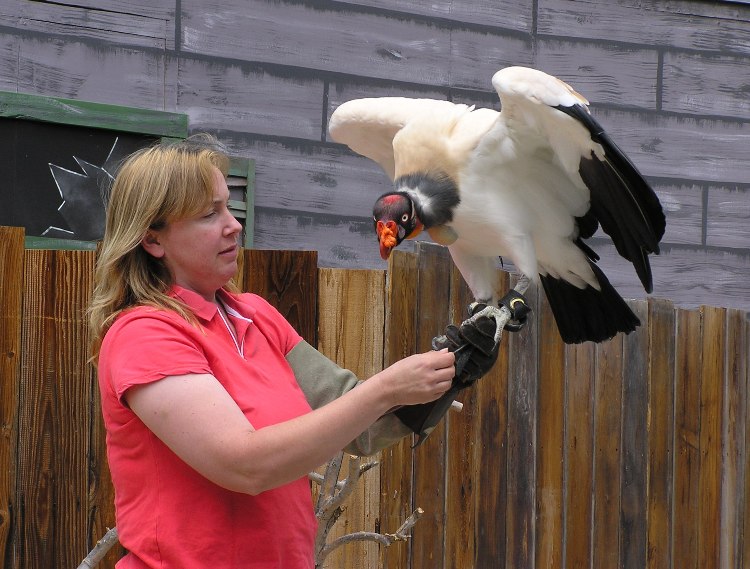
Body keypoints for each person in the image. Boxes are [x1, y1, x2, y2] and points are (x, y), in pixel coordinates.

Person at [87, 134, 458, 568]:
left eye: (228, 205)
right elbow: (245, 466)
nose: (233, 224)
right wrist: (385, 389)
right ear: (153, 240)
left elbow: (358, 424)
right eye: (210, 213)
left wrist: (457, 367)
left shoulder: (255, 316)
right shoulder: (146, 334)